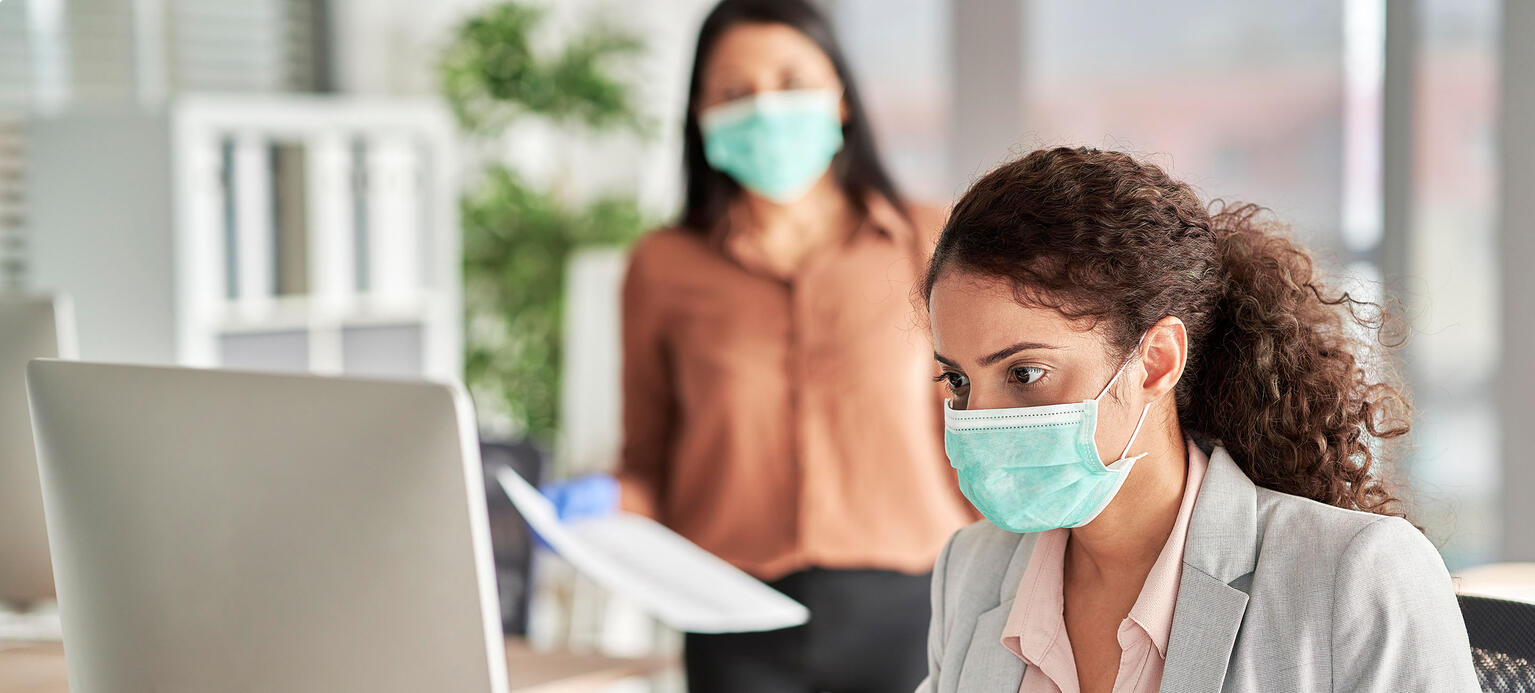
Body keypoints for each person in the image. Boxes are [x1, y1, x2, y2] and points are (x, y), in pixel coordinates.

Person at [916, 147, 1479, 692]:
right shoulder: (971, 570)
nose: (979, 421)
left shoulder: (1356, 577)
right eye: (958, 380)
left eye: (1024, 373)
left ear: (1157, 361)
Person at [540, 1, 975, 690]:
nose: (765, 110)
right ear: (699, 114)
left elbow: (971, 430)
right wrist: (603, 500)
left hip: (913, 609)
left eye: (791, 82)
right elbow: (650, 463)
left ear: (840, 97)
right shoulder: (662, 266)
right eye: (734, 92)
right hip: (730, 617)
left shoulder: (932, 239)